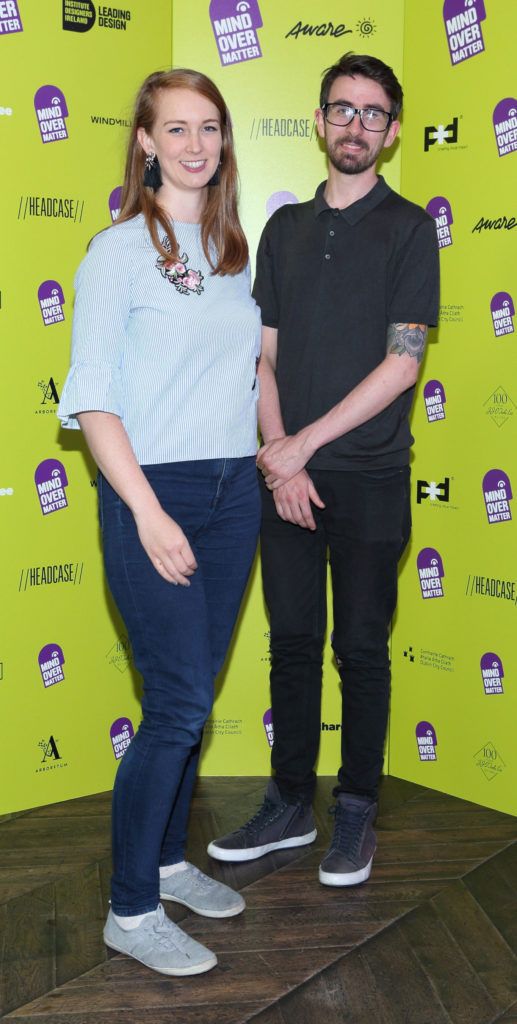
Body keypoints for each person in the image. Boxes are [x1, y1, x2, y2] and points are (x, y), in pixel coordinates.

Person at [208, 52, 439, 887]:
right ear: (317, 119)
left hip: (370, 477)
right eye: (341, 109)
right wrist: (280, 459)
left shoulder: (411, 228)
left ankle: (354, 814)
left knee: (362, 649)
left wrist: (303, 446)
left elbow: (401, 363)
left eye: (372, 113)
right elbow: (260, 357)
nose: (355, 125)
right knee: (293, 644)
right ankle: (288, 806)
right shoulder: (283, 231)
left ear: (392, 131)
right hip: (285, 478)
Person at [58, 68, 261, 975]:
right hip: (156, 494)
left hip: (234, 495)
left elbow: (249, 378)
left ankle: (171, 861)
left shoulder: (231, 249)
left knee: (191, 701)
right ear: (144, 142)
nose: (194, 144)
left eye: (208, 127)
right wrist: (143, 512)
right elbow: (93, 400)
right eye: (174, 128)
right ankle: (129, 911)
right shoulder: (115, 253)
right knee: (177, 707)